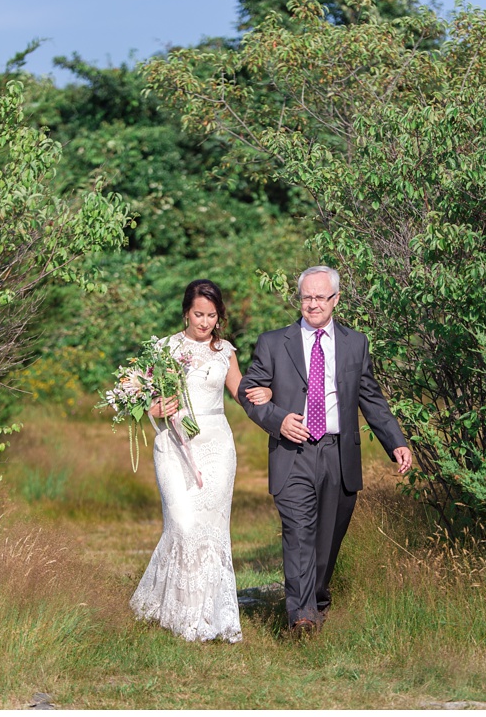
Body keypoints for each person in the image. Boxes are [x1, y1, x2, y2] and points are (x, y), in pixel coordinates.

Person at [236, 265, 412, 635]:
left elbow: (371, 398)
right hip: (293, 452)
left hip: (338, 453)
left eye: (320, 297)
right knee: (298, 532)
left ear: (336, 300)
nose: (312, 305)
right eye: (306, 297)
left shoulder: (355, 343)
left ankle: (316, 601)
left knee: (328, 537)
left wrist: (395, 441)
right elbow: (247, 391)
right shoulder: (273, 342)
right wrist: (277, 418)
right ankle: (301, 616)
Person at [130, 279, 272, 641]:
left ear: (219, 316)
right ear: (186, 311)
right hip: (174, 446)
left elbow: (240, 392)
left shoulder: (225, 351)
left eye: (211, 315)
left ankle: (203, 617)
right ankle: (172, 609)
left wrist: (268, 394)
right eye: (198, 314)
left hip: (216, 448)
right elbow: (142, 397)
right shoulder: (165, 348)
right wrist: (154, 408)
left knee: (210, 532)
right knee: (182, 525)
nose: (204, 322)